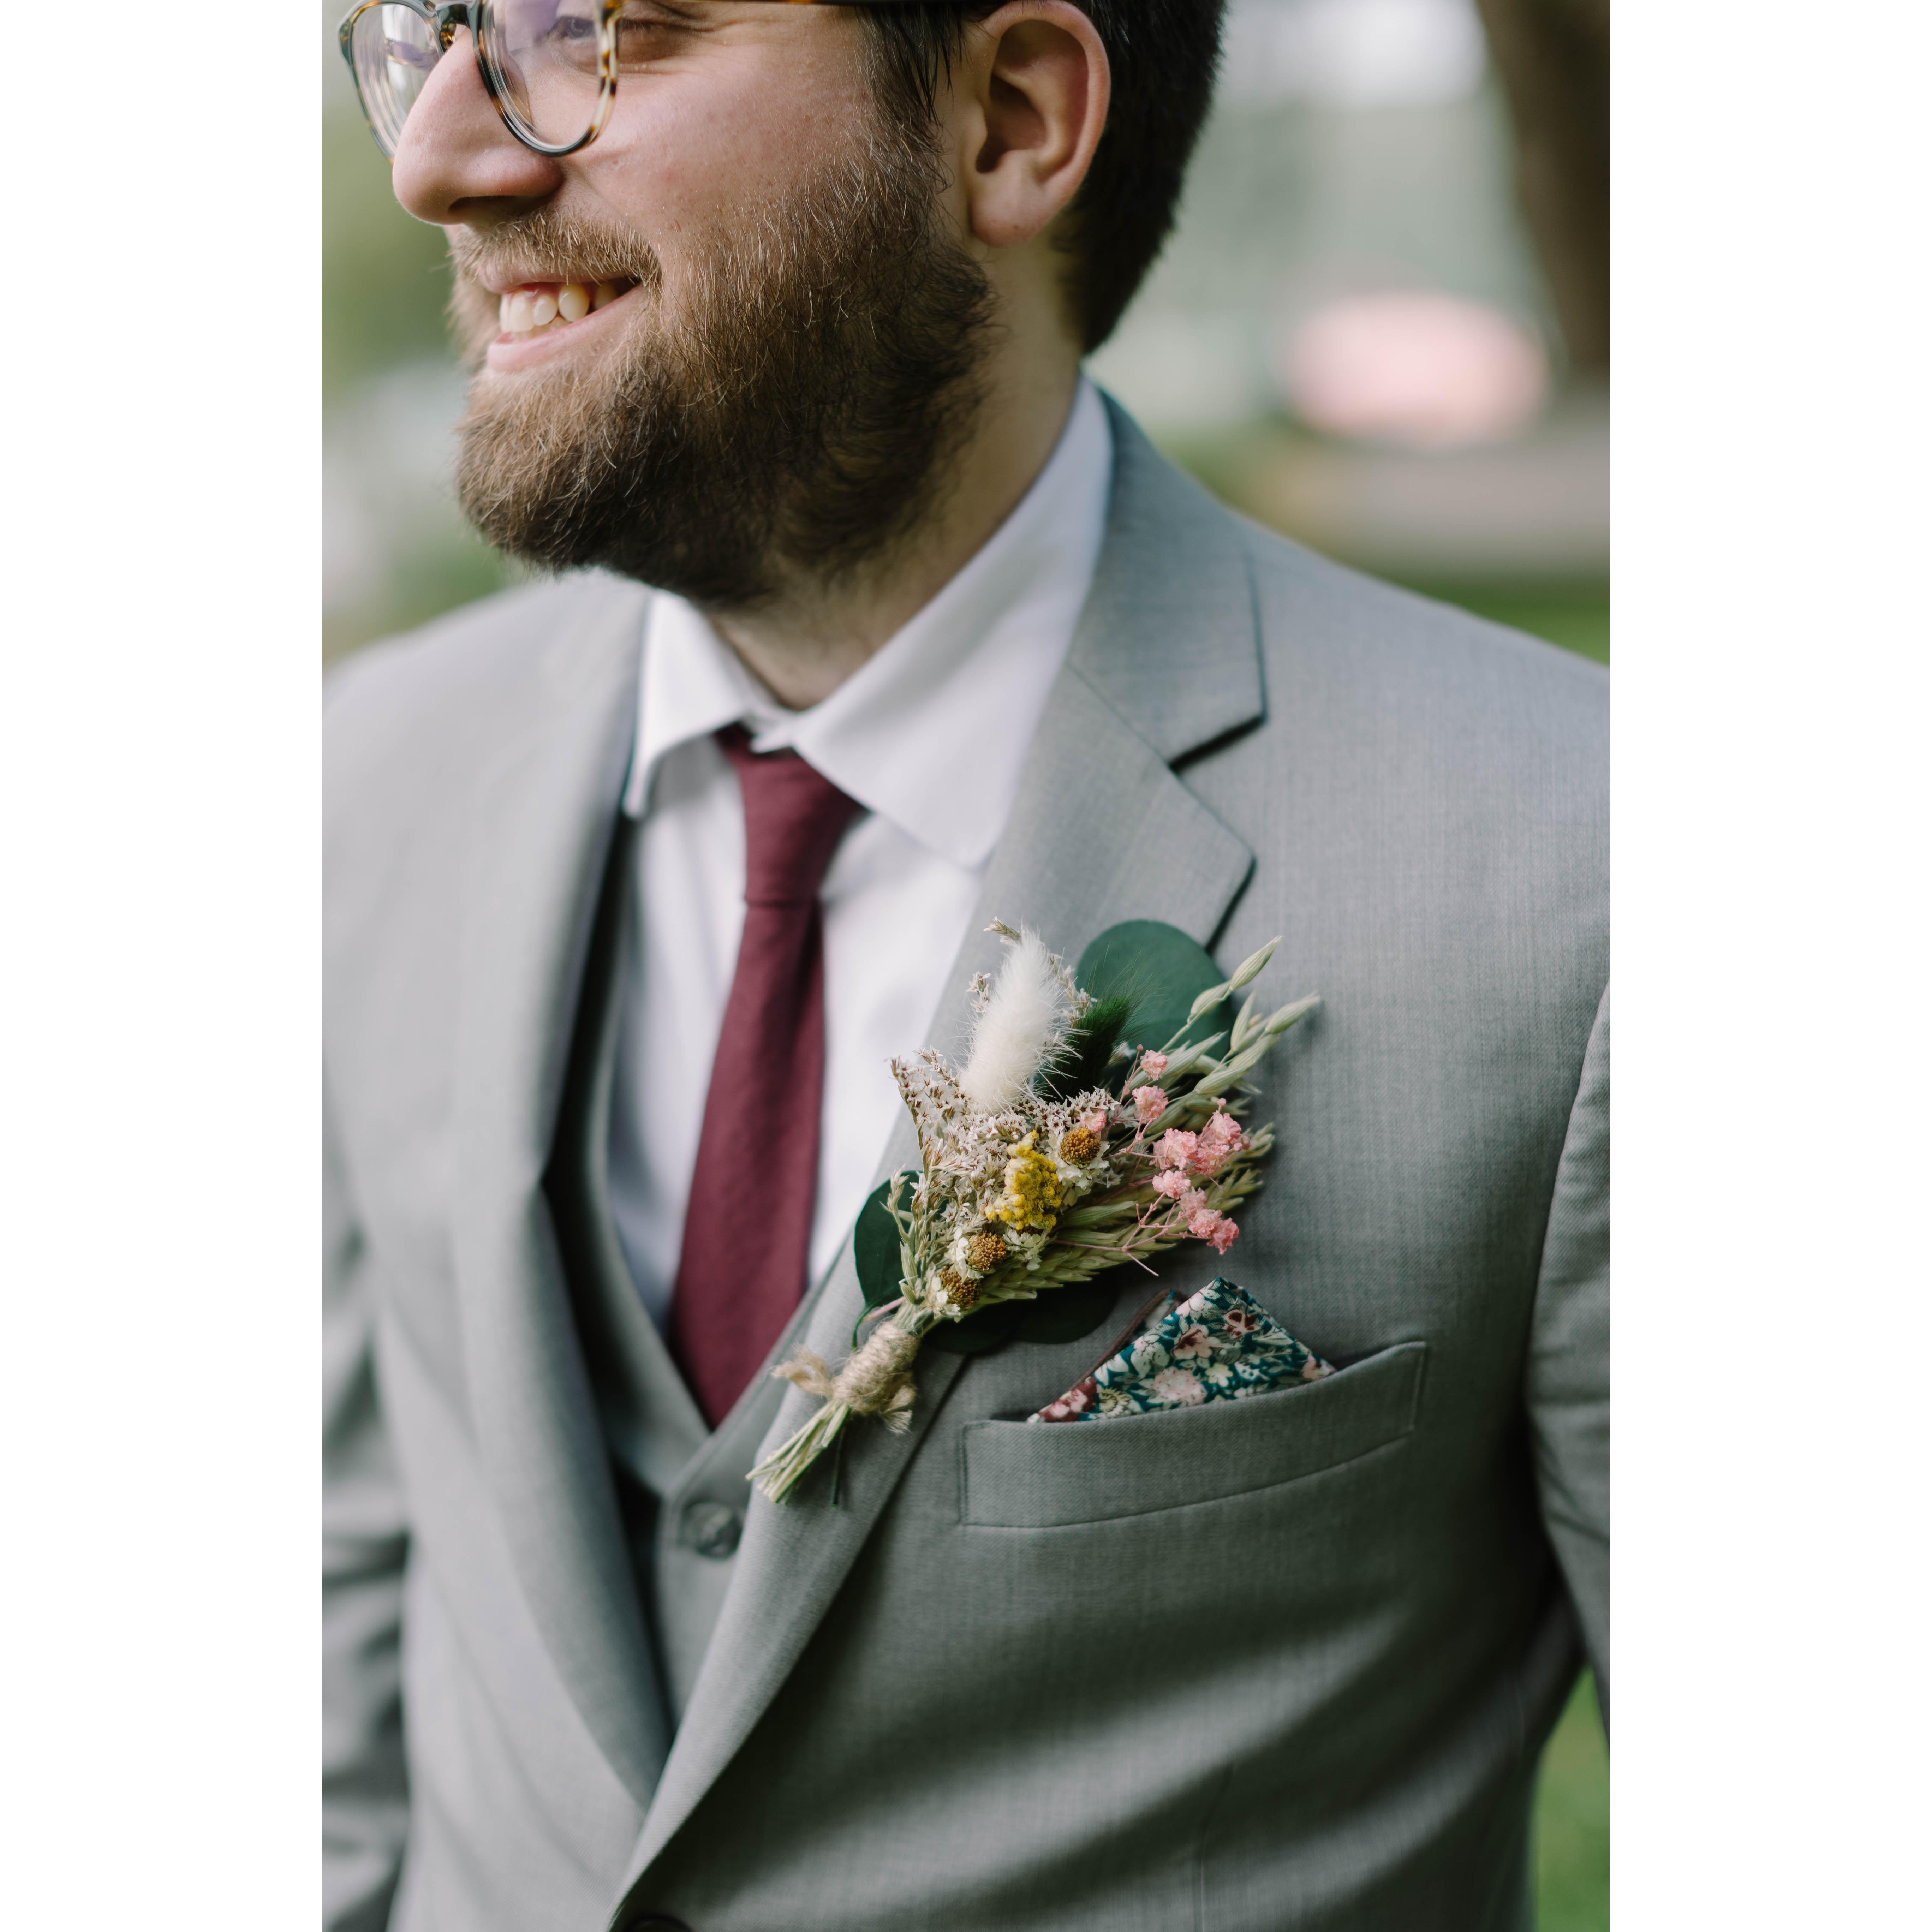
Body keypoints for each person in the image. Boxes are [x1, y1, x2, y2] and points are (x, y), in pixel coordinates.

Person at [323, 3, 1608, 1928]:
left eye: (586, 29)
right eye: (427, 30)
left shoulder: (1584, 879)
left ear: (1009, 119)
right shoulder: (359, 783)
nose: (437, 158)